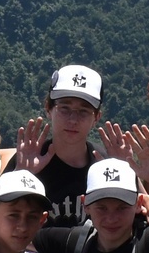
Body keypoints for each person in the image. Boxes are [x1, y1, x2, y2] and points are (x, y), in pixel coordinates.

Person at [14, 64, 106, 223]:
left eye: (84, 111)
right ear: (48, 109)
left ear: (96, 117)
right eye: (64, 108)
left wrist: (133, 176)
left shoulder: (104, 164)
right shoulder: (28, 159)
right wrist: (19, 173)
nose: (72, 120)